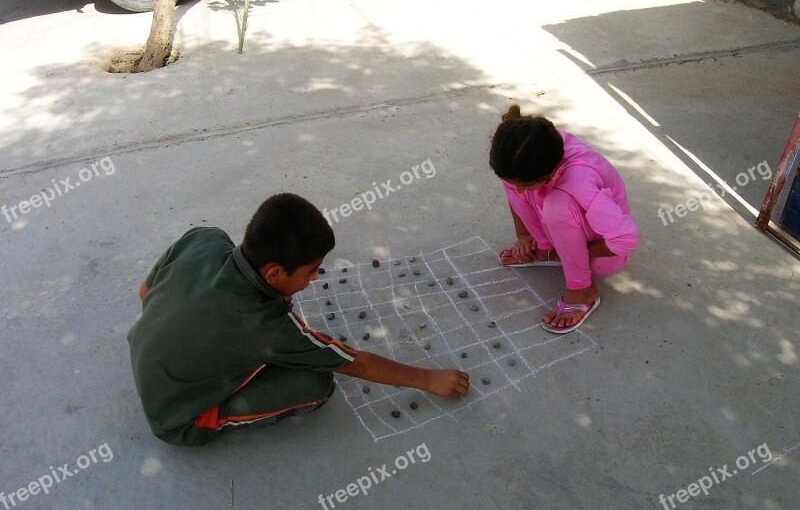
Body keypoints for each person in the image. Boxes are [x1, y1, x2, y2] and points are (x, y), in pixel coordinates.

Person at [128, 193, 469, 446]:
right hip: (175, 417)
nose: (316, 277)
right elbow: (356, 364)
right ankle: (208, 418)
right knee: (315, 385)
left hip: (144, 351)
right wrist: (426, 378)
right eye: (310, 270)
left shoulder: (204, 238)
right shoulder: (267, 326)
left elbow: (147, 291)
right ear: (275, 272)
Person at [489, 105, 639, 333]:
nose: (519, 192)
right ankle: (544, 246)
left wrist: (576, 254)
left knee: (557, 206)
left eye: (527, 185)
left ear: (549, 172)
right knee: (515, 178)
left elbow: (626, 240)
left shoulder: (580, 180)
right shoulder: (534, 148)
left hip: (604, 253)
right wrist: (523, 236)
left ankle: (583, 290)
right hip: (566, 231)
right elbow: (517, 183)